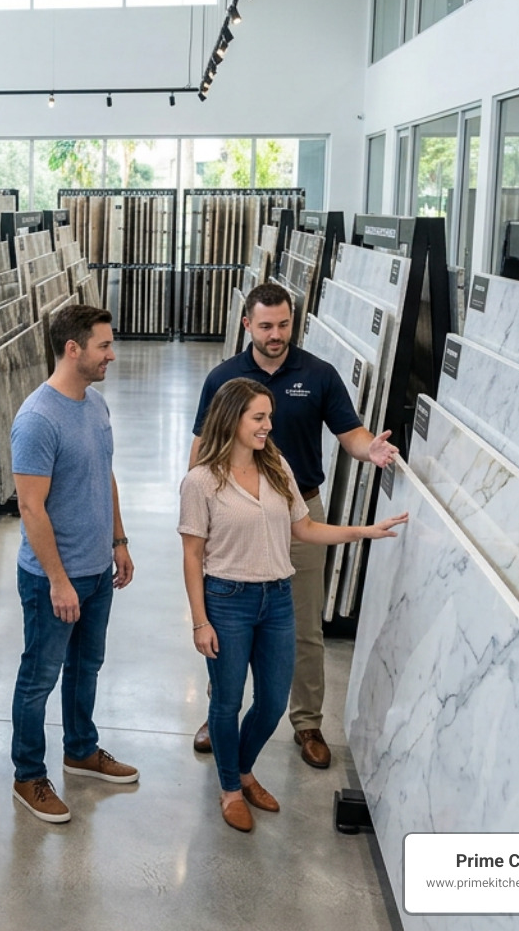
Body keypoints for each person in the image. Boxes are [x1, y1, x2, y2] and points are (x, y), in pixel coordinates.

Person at [181, 377, 407, 831]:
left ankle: (243, 769)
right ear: (233, 419)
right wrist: (200, 622)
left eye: (269, 417)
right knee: (226, 703)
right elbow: (191, 555)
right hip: (227, 601)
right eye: (258, 418)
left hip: (277, 599)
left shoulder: (277, 466)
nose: (267, 426)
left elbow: (303, 530)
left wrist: (363, 532)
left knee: (271, 703)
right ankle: (231, 788)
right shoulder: (201, 481)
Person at [189, 282, 398, 769]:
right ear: (247, 325)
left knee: (303, 625)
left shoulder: (318, 374)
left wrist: (373, 450)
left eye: (284, 324)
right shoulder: (223, 378)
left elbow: (351, 433)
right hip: (234, 517)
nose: (276, 334)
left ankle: (306, 721)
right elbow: (201, 446)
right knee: (226, 622)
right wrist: (197, 508)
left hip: (300, 511)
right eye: (266, 325)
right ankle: (220, 713)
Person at [9, 303, 137, 825]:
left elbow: (104, 474)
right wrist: (59, 581)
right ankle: (27, 775)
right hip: (51, 581)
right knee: (38, 679)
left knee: (87, 667)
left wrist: (120, 540)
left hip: (96, 571)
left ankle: (81, 748)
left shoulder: (96, 405)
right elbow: (30, 507)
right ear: (73, 349)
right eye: (103, 345)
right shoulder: (37, 420)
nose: (112, 354)